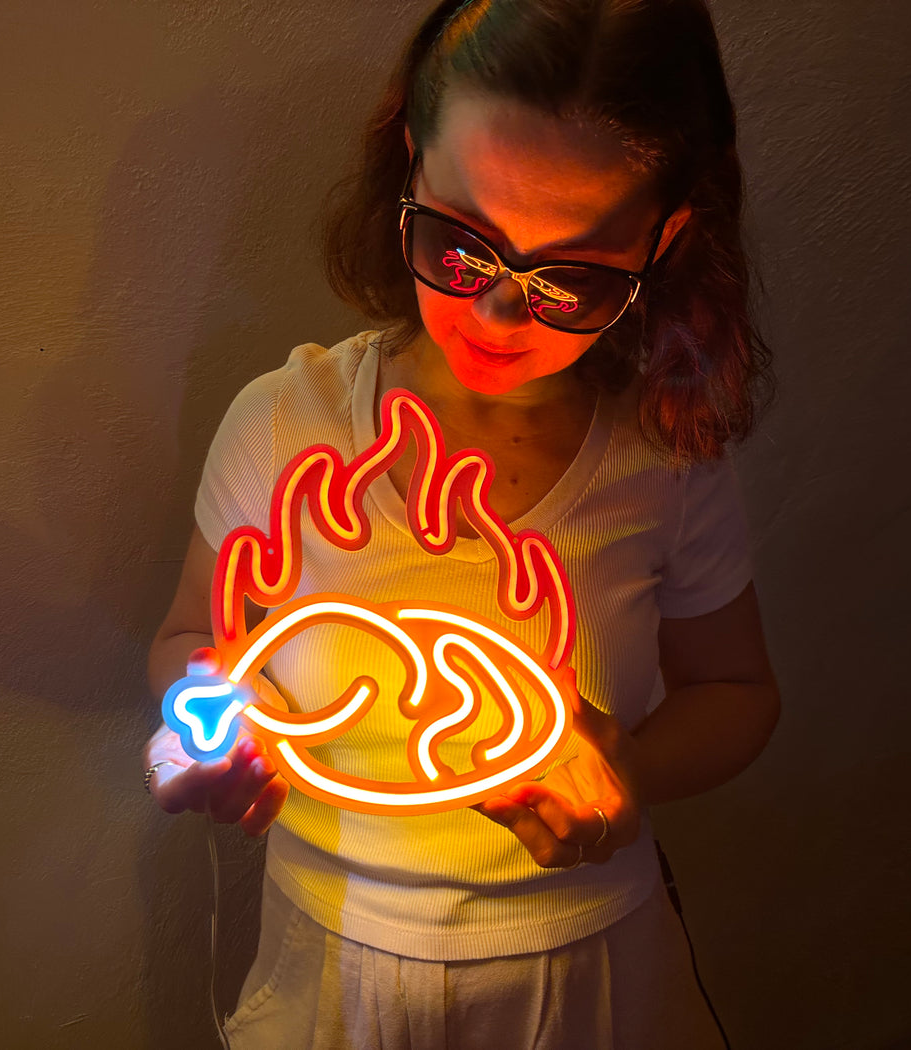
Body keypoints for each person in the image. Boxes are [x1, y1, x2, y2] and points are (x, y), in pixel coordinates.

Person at [143, 0, 781, 1046]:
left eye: (569, 276)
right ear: (409, 166)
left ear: (663, 240)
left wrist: (629, 771)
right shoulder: (280, 426)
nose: (497, 314)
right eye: (460, 243)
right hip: (334, 960)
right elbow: (185, 640)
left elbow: (740, 692)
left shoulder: (660, 462)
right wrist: (204, 720)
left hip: (584, 969)